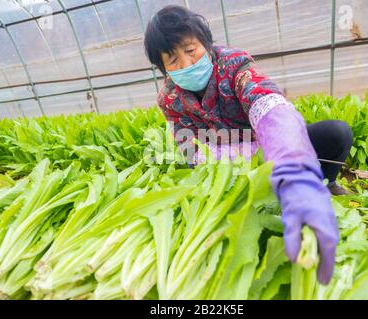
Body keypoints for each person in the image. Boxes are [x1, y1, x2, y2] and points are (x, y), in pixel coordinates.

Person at [144, 5, 353, 285]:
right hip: (224, 166)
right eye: (172, 59)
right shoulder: (169, 98)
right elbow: (189, 146)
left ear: (205, 43)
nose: (186, 64)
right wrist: (212, 186)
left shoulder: (233, 64)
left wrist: (291, 161)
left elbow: (266, 103)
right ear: (163, 68)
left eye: (190, 50)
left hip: (266, 147)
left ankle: (322, 184)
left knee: (335, 133)